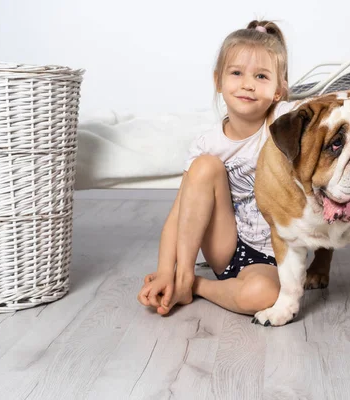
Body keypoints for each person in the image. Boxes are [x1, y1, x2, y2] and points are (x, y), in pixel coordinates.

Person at [137, 20, 297, 316]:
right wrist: (163, 270)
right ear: (219, 81)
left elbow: (320, 114)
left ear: (279, 90)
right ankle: (180, 274)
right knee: (205, 166)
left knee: (262, 294)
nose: (248, 84)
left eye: (261, 76)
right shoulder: (207, 143)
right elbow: (178, 215)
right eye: (236, 73)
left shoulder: (283, 121)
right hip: (229, 247)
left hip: (279, 258)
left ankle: (195, 285)